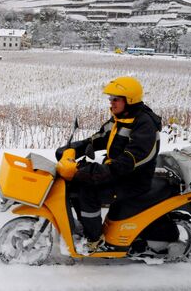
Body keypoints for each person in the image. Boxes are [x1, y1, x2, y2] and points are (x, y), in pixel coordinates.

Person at [56, 76, 162, 253]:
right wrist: (74, 148)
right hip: (118, 173)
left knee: (89, 192)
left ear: (129, 100)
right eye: (110, 99)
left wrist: (95, 171)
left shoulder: (144, 125)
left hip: (134, 179)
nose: (111, 103)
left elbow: (129, 161)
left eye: (115, 99)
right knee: (74, 184)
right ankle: (85, 225)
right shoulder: (120, 118)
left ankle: (94, 240)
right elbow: (98, 138)